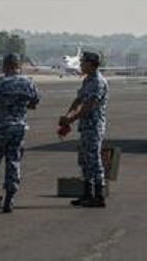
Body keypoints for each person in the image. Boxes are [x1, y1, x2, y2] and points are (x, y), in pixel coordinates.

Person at [0, 53, 40, 213]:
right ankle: (9, 200)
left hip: (0, 127)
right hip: (19, 128)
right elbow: (34, 103)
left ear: (5, 66)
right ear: (19, 66)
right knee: (13, 161)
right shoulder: (29, 83)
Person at [59, 51, 108, 208]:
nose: (81, 65)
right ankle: (87, 194)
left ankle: (99, 196)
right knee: (85, 161)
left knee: (94, 160)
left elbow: (88, 107)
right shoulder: (87, 80)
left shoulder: (98, 82)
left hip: (94, 127)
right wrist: (67, 115)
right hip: (86, 127)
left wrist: (70, 119)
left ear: (91, 64)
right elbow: (78, 100)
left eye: (83, 63)